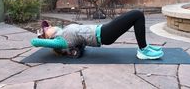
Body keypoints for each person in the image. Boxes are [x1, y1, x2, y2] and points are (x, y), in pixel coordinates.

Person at [31, 10, 164, 59]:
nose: (49, 26)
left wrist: (45, 33)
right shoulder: (60, 41)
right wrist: (40, 37)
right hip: (103, 35)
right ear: (48, 37)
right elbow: (35, 42)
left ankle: (144, 47)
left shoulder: (62, 30)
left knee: (137, 15)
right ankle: (143, 50)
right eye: (46, 29)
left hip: (103, 30)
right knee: (137, 15)